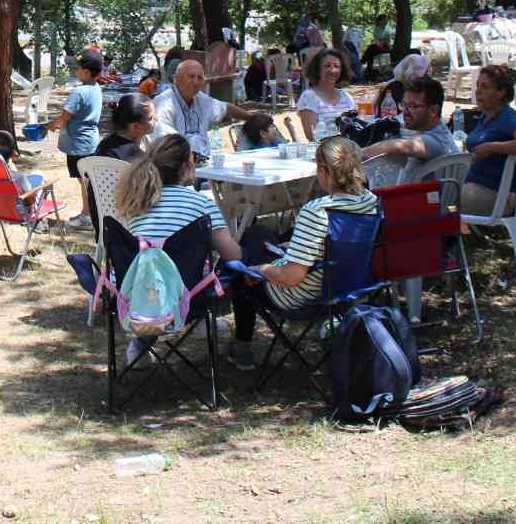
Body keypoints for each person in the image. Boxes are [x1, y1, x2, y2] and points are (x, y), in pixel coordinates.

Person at [227, 137, 380, 370]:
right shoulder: (372, 203)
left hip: (301, 295)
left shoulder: (318, 211)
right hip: (347, 286)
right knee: (262, 235)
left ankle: (242, 348)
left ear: (323, 171)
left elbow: (291, 277)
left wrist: (261, 269)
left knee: (242, 268)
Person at [113, 135, 241, 363]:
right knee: (224, 264)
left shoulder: (135, 204)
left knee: (159, 267)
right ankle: (204, 319)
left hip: (135, 294)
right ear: (185, 167)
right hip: (189, 295)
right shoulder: (201, 204)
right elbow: (233, 255)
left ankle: (140, 344)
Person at [461, 64, 516, 216]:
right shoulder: (485, 116)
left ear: (500, 92)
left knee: (443, 195)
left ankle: (454, 235)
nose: (478, 91)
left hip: (499, 196)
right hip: (475, 187)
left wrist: (491, 147)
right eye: (477, 85)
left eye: (485, 87)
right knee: (438, 187)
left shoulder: (509, 118)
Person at [45, 49, 104, 229]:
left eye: (77, 68)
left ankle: (87, 215)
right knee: (86, 180)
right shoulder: (96, 88)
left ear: (86, 72)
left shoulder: (79, 92)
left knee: (85, 181)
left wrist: (47, 126)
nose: (75, 71)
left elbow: (64, 118)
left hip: (78, 145)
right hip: (89, 141)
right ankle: (89, 213)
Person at [152, 59, 249, 161]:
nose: (196, 82)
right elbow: (163, 143)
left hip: (203, 163)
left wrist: (250, 117)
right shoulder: (164, 103)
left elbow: (225, 108)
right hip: (175, 166)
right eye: (191, 77)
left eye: (200, 78)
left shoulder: (200, 98)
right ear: (176, 79)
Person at [360, 77, 457, 164]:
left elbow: (398, 146)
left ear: (433, 110)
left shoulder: (435, 141)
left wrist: (355, 155)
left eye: (412, 106)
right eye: (403, 105)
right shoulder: (441, 132)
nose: (404, 112)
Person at [294, 47, 357, 138]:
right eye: (327, 66)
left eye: (336, 66)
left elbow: (356, 127)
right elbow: (312, 136)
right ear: (317, 69)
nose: (332, 70)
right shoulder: (309, 97)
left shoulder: (346, 97)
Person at [95, 93, 156, 163]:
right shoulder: (135, 157)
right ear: (135, 126)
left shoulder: (106, 143)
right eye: (151, 118)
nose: (156, 118)